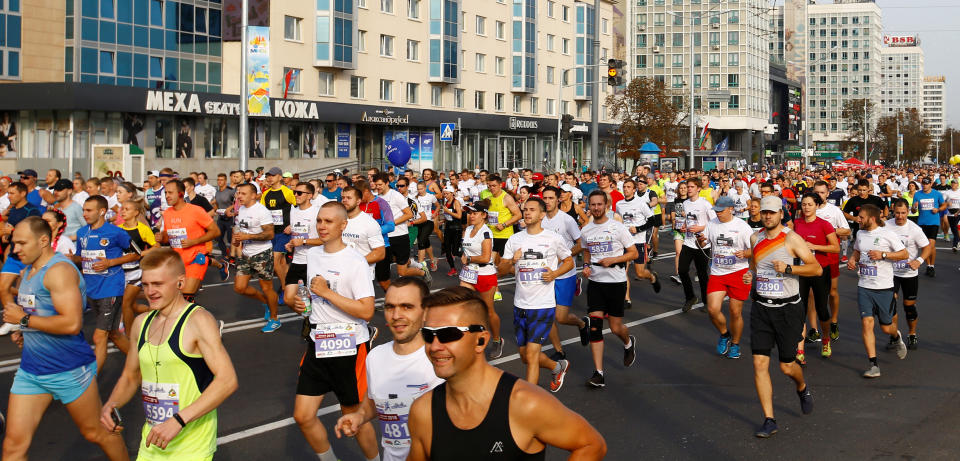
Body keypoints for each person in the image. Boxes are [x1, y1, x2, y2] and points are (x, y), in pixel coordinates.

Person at [406, 287, 607, 460]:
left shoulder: (525, 403)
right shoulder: (423, 411)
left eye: (448, 334)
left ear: (481, 341)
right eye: (428, 335)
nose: (434, 346)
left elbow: (591, 445)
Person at [2, 217, 129, 460]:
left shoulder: (59, 271)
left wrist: (24, 321)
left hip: (68, 370)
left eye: (21, 243)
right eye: (13, 243)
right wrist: (25, 331)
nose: (15, 249)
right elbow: (39, 312)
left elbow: (71, 324)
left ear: (43, 240)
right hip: (31, 372)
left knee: (96, 433)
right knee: (13, 447)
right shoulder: (29, 270)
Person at [100, 248, 238, 460]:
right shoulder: (141, 323)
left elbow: (227, 381)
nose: (150, 291)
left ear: (180, 282)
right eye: (145, 284)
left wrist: (178, 421)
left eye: (158, 284)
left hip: (191, 446)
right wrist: (112, 404)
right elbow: (131, 376)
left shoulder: (198, 321)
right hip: (153, 441)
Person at [289, 202, 380, 461]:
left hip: (349, 347)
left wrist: (327, 293)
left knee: (353, 416)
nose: (321, 226)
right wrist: (301, 305)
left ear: (343, 225)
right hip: (318, 343)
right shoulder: (313, 255)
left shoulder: (355, 261)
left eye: (328, 221)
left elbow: (366, 311)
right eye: (319, 220)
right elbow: (311, 298)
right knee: (303, 416)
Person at [333, 277, 443, 461]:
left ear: (425, 311)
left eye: (407, 307)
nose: (396, 315)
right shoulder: (375, 357)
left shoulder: (441, 360)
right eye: (390, 307)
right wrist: (359, 416)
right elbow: (375, 400)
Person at [749, 196, 819, 438]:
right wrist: (751, 276)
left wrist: (789, 269)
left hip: (788, 309)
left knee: (787, 366)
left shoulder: (791, 239)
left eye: (772, 212)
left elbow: (816, 268)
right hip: (761, 308)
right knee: (759, 363)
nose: (767, 216)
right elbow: (755, 266)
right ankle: (769, 419)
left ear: (781, 214)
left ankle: (801, 387)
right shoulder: (755, 238)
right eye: (764, 212)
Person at [498, 197, 574, 391]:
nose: (527, 212)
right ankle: (558, 366)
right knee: (524, 356)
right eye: (525, 209)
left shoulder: (552, 238)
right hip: (520, 304)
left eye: (532, 210)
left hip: (543, 305)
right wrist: (512, 261)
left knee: (532, 355)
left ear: (541, 215)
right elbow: (501, 270)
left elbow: (569, 261)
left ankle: (530, 399)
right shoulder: (515, 239)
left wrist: (554, 274)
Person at [581, 189, 640, 388]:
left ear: (606, 205)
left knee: (615, 328)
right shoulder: (586, 230)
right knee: (595, 327)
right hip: (596, 284)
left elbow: (633, 254)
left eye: (599, 204)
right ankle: (599, 373)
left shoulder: (617, 227)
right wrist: (586, 266)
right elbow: (586, 251)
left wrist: (615, 259)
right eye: (593, 204)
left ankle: (628, 342)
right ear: (589, 206)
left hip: (615, 282)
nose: (596, 208)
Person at [74, 196, 136, 374]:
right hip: (92, 290)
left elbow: (136, 254)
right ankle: (142, 363)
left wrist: (110, 262)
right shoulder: (81, 233)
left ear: (102, 211)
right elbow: (80, 257)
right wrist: (72, 259)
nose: (84, 214)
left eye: (89, 210)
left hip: (111, 288)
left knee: (99, 336)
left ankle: (91, 381)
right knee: (114, 334)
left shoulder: (115, 232)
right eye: (84, 210)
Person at [848, 204, 909, 378]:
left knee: (885, 327)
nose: (858, 220)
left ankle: (896, 337)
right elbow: (857, 251)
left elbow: (904, 254)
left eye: (861, 217)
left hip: (883, 288)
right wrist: (853, 259)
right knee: (867, 323)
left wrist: (883, 255)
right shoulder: (860, 233)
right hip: (864, 287)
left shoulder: (887, 234)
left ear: (872, 219)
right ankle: (873, 365)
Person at [700, 196, 754, 359]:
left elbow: (755, 249)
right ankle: (725, 334)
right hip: (718, 272)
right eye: (716, 211)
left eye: (721, 211)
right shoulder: (712, 223)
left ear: (731, 209)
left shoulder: (742, 227)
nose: (718, 214)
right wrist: (701, 241)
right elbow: (704, 243)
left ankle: (736, 344)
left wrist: (745, 253)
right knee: (712, 309)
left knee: (735, 312)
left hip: (738, 272)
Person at [540, 186, 589, 361]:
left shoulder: (566, 220)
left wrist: (564, 257)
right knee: (548, 315)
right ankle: (559, 350)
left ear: (558, 199)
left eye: (550, 198)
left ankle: (582, 323)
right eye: (544, 198)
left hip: (564, 275)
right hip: (546, 275)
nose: (547, 201)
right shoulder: (540, 220)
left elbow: (581, 243)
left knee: (561, 317)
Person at [793, 193, 840, 362]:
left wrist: (814, 246)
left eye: (810, 204)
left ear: (816, 206)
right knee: (800, 309)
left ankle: (826, 339)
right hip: (802, 270)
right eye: (804, 204)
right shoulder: (796, 223)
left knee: (821, 308)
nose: (806, 207)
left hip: (820, 270)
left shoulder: (824, 225)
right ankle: (800, 349)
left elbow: (835, 248)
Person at [158, 180, 220, 303]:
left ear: (181, 194)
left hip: (196, 258)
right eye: (166, 193)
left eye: (170, 192)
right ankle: (204, 321)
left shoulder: (196, 210)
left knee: (186, 297)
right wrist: (162, 237)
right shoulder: (168, 213)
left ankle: (206, 322)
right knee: (180, 301)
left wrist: (194, 242)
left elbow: (216, 232)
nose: (167, 196)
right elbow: (167, 237)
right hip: (179, 261)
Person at [232, 183, 283, 333]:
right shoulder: (241, 209)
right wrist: (238, 240)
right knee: (239, 288)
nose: (239, 196)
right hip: (246, 252)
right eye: (238, 193)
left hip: (262, 253)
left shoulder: (262, 211)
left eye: (243, 193)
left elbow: (270, 234)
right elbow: (241, 230)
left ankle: (274, 319)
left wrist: (247, 236)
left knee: (267, 288)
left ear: (253, 195)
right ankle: (266, 303)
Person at [459, 199, 504, 359]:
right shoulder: (468, 228)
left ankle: (497, 340)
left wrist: (469, 259)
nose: (471, 216)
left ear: (483, 215)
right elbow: (466, 250)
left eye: (474, 213)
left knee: (488, 311)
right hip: (468, 274)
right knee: (463, 307)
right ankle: (469, 340)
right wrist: (465, 258)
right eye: (470, 213)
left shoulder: (486, 233)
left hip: (485, 275)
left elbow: (485, 257)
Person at [885, 199, 932, 351]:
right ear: (893, 211)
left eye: (903, 213)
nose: (900, 216)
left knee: (908, 307)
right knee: (890, 304)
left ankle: (912, 333)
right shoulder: (886, 225)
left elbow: (927, 247)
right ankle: (895, 336)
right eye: (897, 213)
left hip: (909, 273)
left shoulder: (914, 229)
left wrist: (919, 260)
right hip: (890, 272)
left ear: (908, 212)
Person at [372, 173, 430, 290]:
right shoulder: (376, 197)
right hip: (384, 238)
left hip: (399, 236)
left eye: (380, 185)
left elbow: (408, 214)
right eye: (376, 184)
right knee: (386, 264)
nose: (377, 187)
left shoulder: (396, 196)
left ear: (387, 183)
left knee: (402, 272)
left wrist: (391, 224)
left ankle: (423, 273)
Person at [615, 179, 662, 306]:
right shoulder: (619, 204)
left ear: (634, 189)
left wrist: (638, 229)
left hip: (638, 242)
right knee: (622, 271)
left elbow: (652, 220)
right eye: (624, 187)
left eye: (629, 187)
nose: (626, 189)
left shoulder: (641, 203)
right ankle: (627, 299)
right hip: (624, 243)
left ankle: (652, 277)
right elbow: (618, 220)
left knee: (640, 273)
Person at [117, 200, 156, 342]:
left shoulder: (143, 229)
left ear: (136, 213)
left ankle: (130, 336)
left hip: (136, 271)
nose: (123, 211)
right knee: (131, 306)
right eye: (122, 208)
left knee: (125, 304)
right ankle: (156, 312)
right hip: (120, 272)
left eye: (127, 209)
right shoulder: (117, 229)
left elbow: (156, 246)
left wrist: (141, 254)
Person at [282, 182, 322, 316]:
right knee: (288, 299)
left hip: (314, 261)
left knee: (318, 301)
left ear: (309, 195)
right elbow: (297, 234)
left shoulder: (318, 213)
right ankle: (308, 319)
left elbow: (325, 240)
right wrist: (291, 244)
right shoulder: (294, 211)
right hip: (297, 260)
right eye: (295, 192)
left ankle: (314, 322)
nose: (295, 195)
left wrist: (303, 241)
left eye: (299, 193)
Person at [678, 178, 717, 311]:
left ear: (698, 188)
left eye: (692, 187)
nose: (689, 189)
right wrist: (684, 226)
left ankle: (707, 302)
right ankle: (690, 297)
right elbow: (687, 219)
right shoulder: (685, 203)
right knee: (682, 270)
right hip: (688, 242)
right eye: (687, 187)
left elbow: (714, 222)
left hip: (702, 243)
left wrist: (701, 228)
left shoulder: (705, 204)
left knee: (702, 274)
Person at [485, 174, 522, 303]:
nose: (491, 188)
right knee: (490, 264)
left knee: (506, 266)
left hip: (506, 236)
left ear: (500, 185)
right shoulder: (488, 198)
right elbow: (488, 216)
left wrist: (505, 224)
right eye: (489, 186)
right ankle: (496, 291)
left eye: (494, 185)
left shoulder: (506, 198)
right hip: (492, 236)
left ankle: (523, 275)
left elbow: (518, 215)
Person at [340, 186, 386, 279]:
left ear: (358, 201)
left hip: (361, 275)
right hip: (340, 272)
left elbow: (380, 253)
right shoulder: (339, 219)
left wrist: (355, 262)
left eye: (349, 198)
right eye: (343, 198)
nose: (344, 200)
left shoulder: (369, 223)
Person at [911, 178, 945, 277]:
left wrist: (938, 209)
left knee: (931, 245)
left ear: (931, 184)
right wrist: (914, 207)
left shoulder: (937, 194)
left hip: (933, 222)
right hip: (922, 223)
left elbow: (943, 206)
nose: (924, 186)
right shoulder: (917, 194)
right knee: (924, 246)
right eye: (923, 184)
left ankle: (932, 266)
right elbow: (913, 211)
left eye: (926, 184)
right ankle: (928, 265)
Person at [439, 186, 464, 276]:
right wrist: (443, 220)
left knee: (455, 251)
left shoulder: (456, 202)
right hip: (448, 228)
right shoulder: (446, 202)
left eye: (447, 193)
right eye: (444, 193)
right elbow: (448, 216)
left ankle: (468, 258)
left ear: (452, 193)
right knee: (447, 249)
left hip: (456, 229)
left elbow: (459, 216)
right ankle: (453, 269)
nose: (445, 195)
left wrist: (448, 212)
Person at [414, 182, 439, 271]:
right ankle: (433, 260)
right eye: (418, 189)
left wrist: (435, 213)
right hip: (419, 221)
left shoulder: (431, 196)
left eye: (421, 188)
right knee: (425, 242)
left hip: (428, 221)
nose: (419, 190)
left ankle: (420, 264)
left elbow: (438, 206)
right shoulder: (415, 197)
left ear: (425, 188)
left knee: (421, 241)